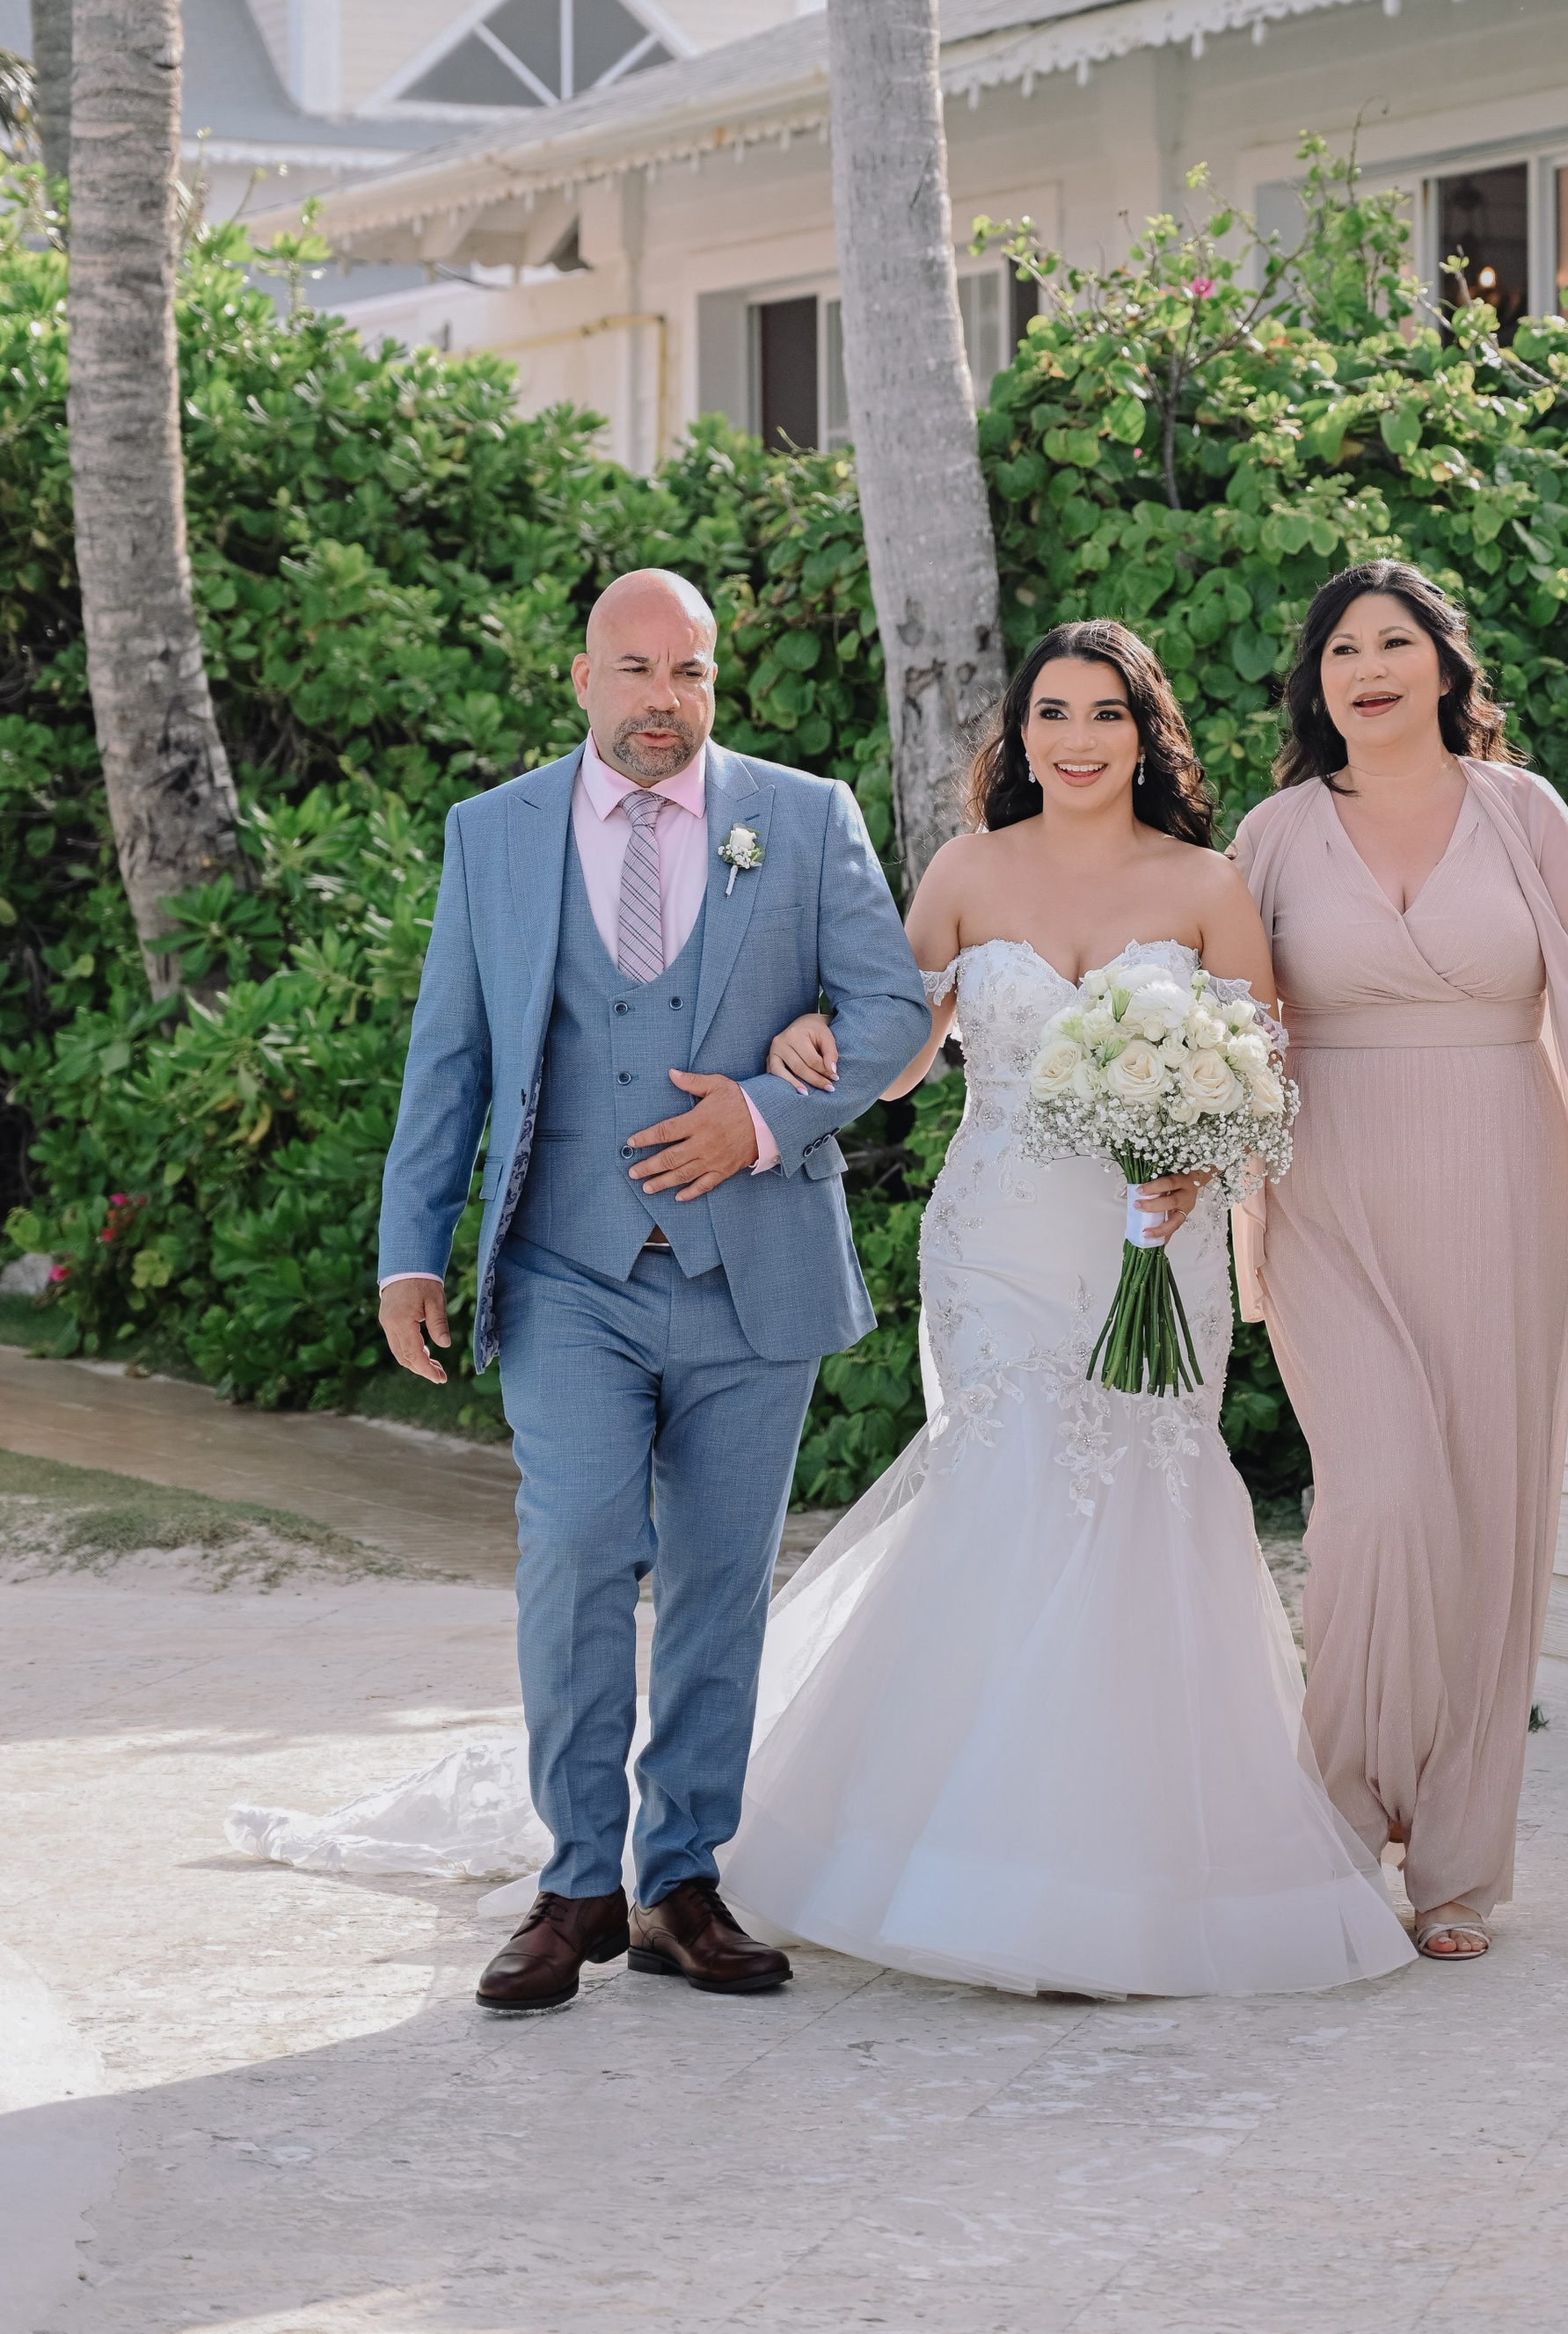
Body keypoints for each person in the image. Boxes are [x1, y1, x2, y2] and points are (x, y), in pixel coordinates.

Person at [714, 618, 1410, 1999]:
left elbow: (1269, 1083)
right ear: (1017, 734)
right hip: (1000, 1237)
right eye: (1051, 714)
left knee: (1144, 1494)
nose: (1075, 740)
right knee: (1013, 1483)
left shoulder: (1209, 885)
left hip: (1156, 1236)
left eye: (1104, 715)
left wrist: (1197, 1165)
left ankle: (1122, 1870)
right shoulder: (968, 869)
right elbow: (896, 1056)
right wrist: (808, 1040)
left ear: (1144, 737)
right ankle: (973, 1859)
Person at [376, 567, 930, 2009]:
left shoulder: (804, 818)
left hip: (755, 1270)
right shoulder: (494, 834)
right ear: (581, 680)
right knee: (573, 1547)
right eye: (634, 672)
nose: (662, 703)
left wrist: (759, 1112)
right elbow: (450, 1054)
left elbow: (887, 1009)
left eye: (687, 673)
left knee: (720, 1582)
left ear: (715, 678)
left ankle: (683, 1879)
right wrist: (410, 1247)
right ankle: (576, 1883)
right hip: (569, 1268)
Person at [1229, 559, 1568, 1964]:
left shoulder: (1524, 811)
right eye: (1341, 649)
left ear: (1442, 664)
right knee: (1382, 1496)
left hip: (1498, 1175)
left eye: (1395, 641)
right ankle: (1337, 1805)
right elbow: (1226, 1017)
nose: (1368, 667)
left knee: (1490, 1520)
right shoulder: (1275, 833)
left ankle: (1457, 1863)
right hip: (1331, 1190)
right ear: (1316, 685)